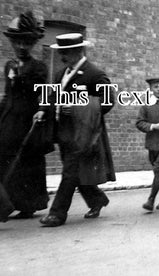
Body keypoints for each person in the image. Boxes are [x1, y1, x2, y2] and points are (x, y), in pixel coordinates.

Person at [37, 33, 116, 227]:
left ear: (78, 51)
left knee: (69, 172)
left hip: (83, 132)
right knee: (73, 170)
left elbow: (108, 101)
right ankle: (97, 199)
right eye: (62, 52)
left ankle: (57, 214)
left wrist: (78, 107)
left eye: (67, 52)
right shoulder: (61, 73)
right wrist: (41, 110)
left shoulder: (94, 74)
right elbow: (53, 97)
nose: (63, 56)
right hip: (63, 131)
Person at [0, 11, 49, 219]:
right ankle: (6, 202)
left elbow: (44, 94)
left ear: (32, 44)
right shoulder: (9, 65)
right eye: (18, 42)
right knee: (5, 159)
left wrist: (41, 110)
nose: (21, 47)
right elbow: (7, 94)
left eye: (26, 43)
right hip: (8, 120)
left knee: (27, 163)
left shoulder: (39, 67)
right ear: (12, 42)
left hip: (28, 121)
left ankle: (28, 204)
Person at [135, 77, 159, 211]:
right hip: (152, 145)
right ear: (151, 89)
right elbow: (139, 123)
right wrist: (153, 126)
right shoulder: (146, 106)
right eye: (156, 87)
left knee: (158, 169)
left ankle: (151, 199)